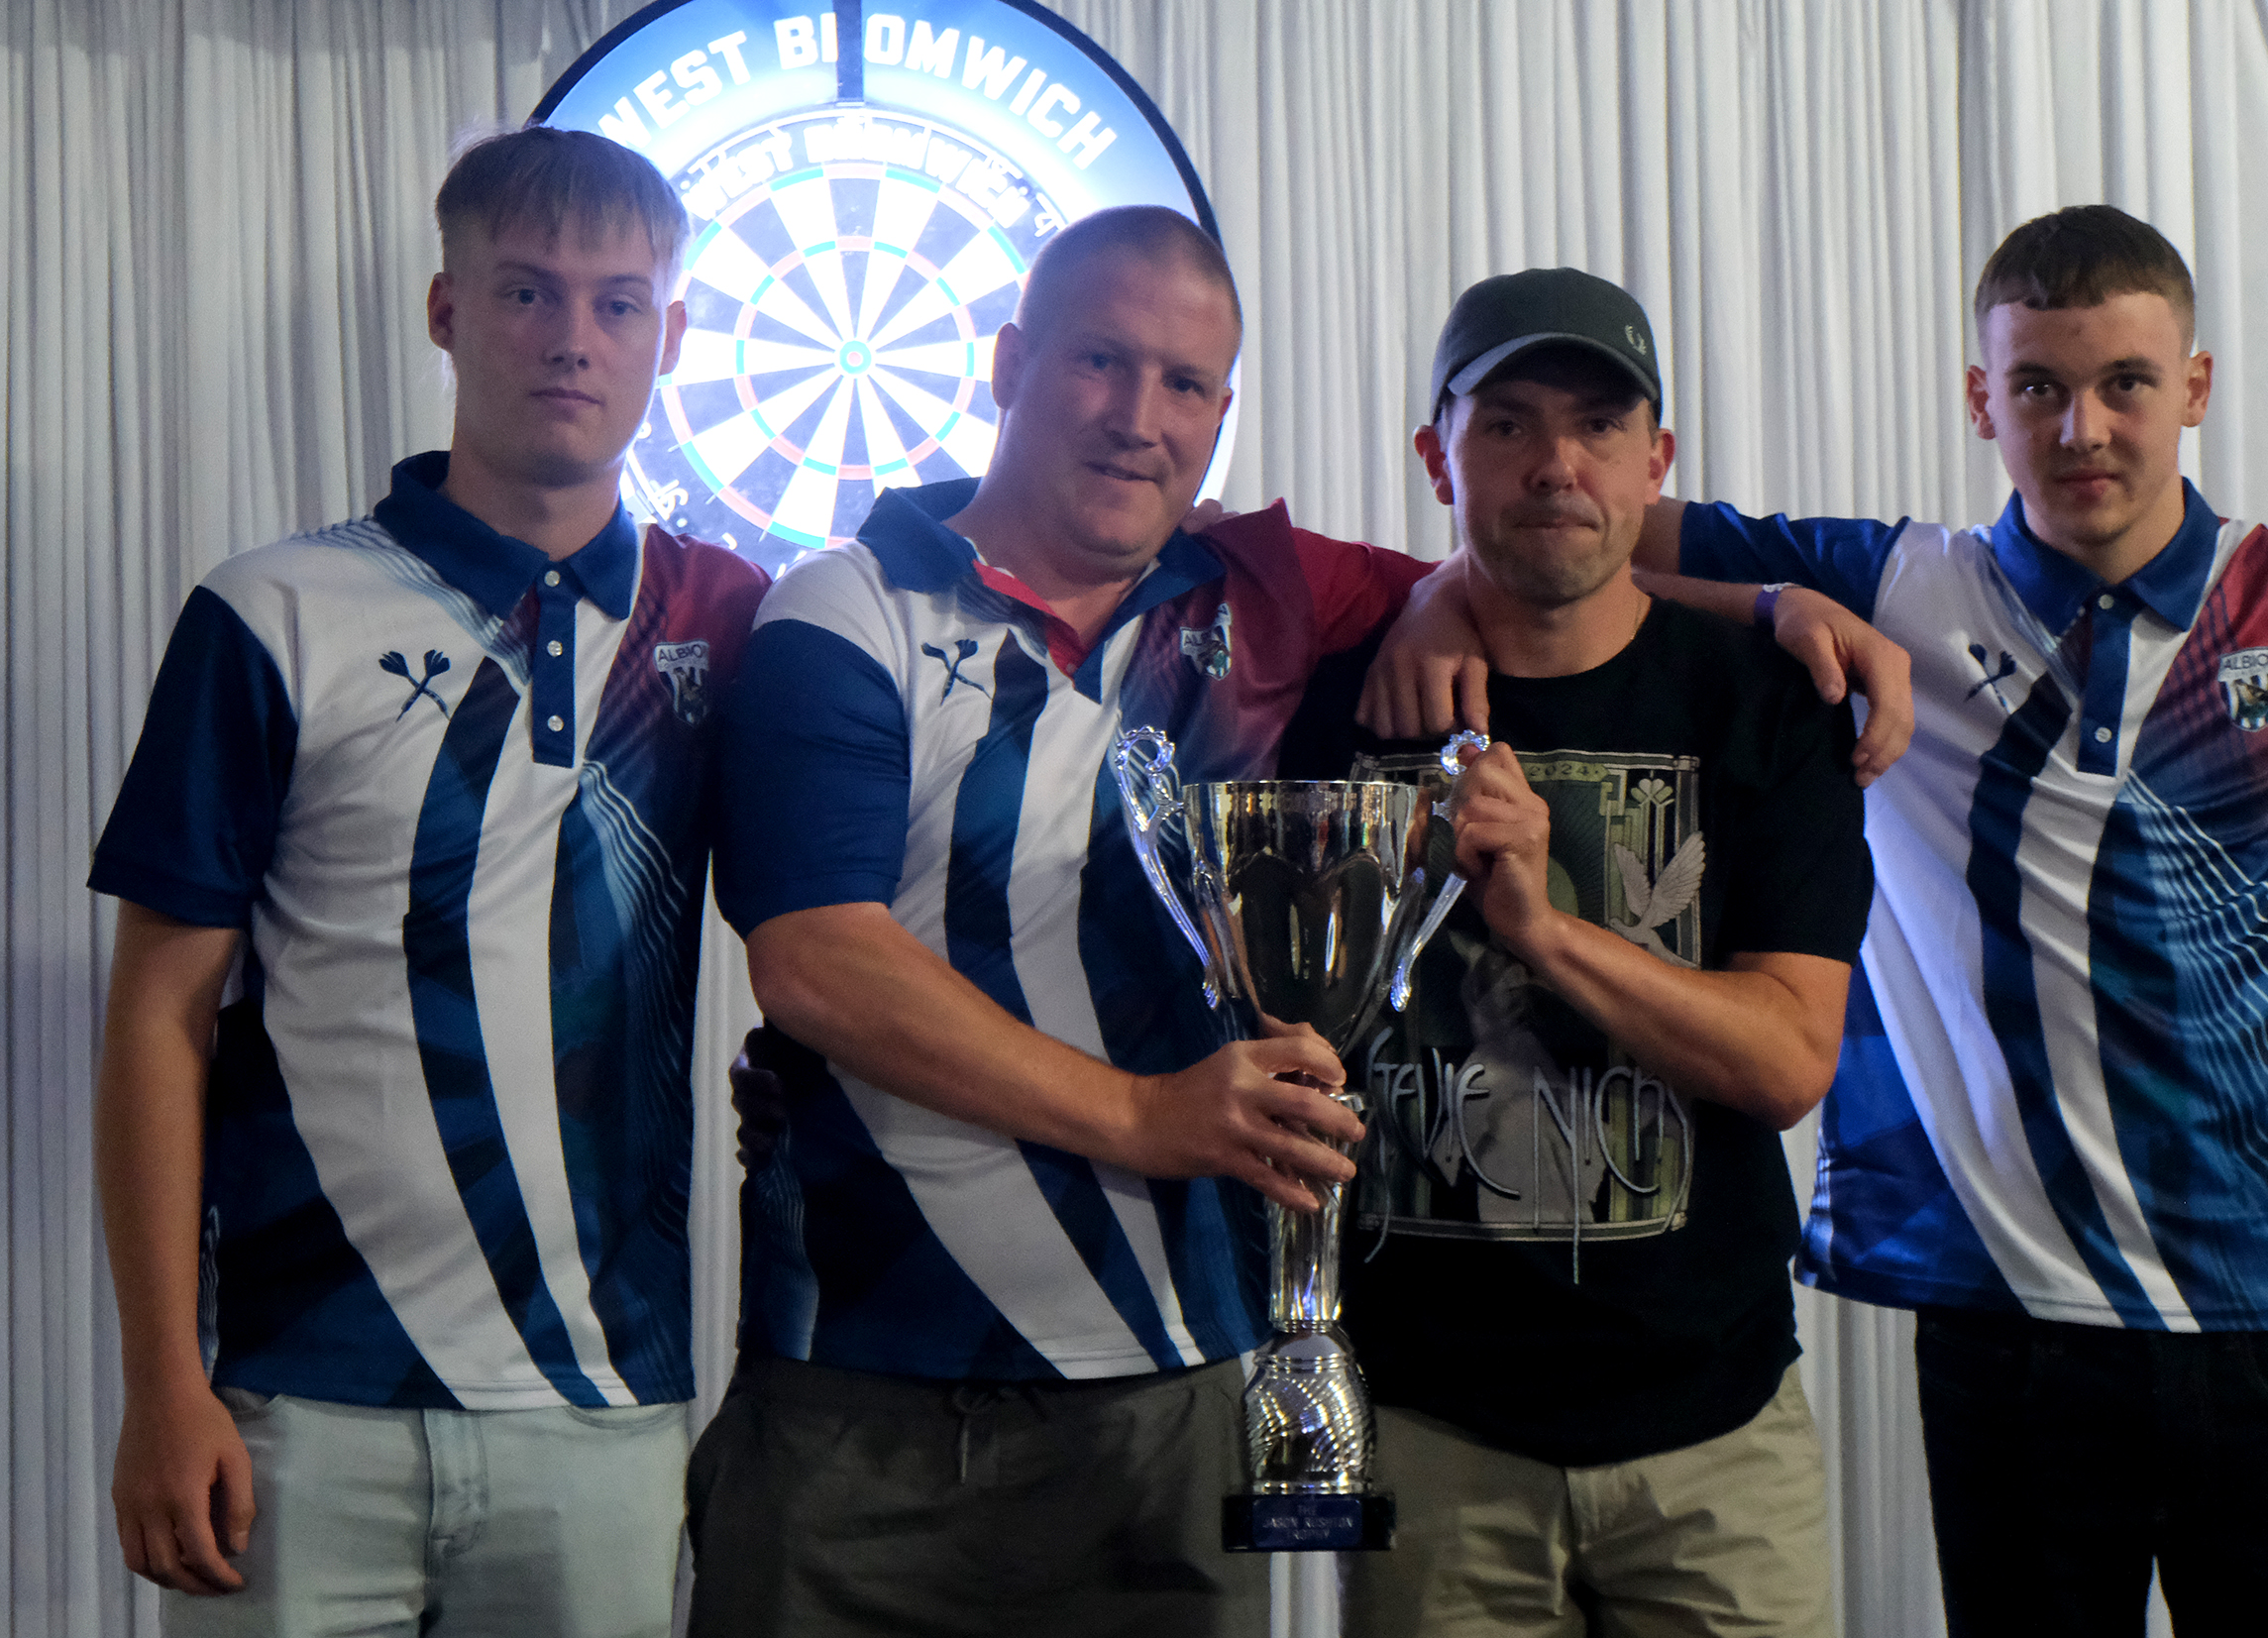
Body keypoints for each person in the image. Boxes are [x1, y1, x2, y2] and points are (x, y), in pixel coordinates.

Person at [1360, 204, 2268, 1634]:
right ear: (1977, 398)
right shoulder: (1893, 582)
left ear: (2191, 386)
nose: (2082, 428)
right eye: (2038, 387)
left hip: (2267, 1315)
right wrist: (1443, 597)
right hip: (2000, 1323)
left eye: (2124, 384)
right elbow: (1555, 529)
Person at [686, 205, 1434, 1638]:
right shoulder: (846, 609)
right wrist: (1143, 1115)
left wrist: (1776, 600)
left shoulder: (1262, 596)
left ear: (1221, 409)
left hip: (1171, 1393)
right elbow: (816, 960)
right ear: (1010, 359)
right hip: (859, 1393)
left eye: (1185, 383)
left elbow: (1545, 571)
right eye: (1100, 360)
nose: (1138, 417)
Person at [87, 127, 764, 1635]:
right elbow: (156, 1016)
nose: (572, 340)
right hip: (294, 1403)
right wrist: (159, 1382)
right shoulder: (271, 609)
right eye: (527, 294)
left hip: (601, 1401)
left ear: (669, 331)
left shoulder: (727, 616)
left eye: (616, 302)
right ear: (447, 310)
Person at [1317, 268, 1872, 1638]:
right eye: (1503, 424)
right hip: (1433, 1434)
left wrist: (1543, 931)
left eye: (1596, 425)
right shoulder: (1340, 701)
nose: (1554, 462)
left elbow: (1789, 1056)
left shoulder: (1765, 705)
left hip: (1712, 1436)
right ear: (1433, 458)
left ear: (1655, 460)